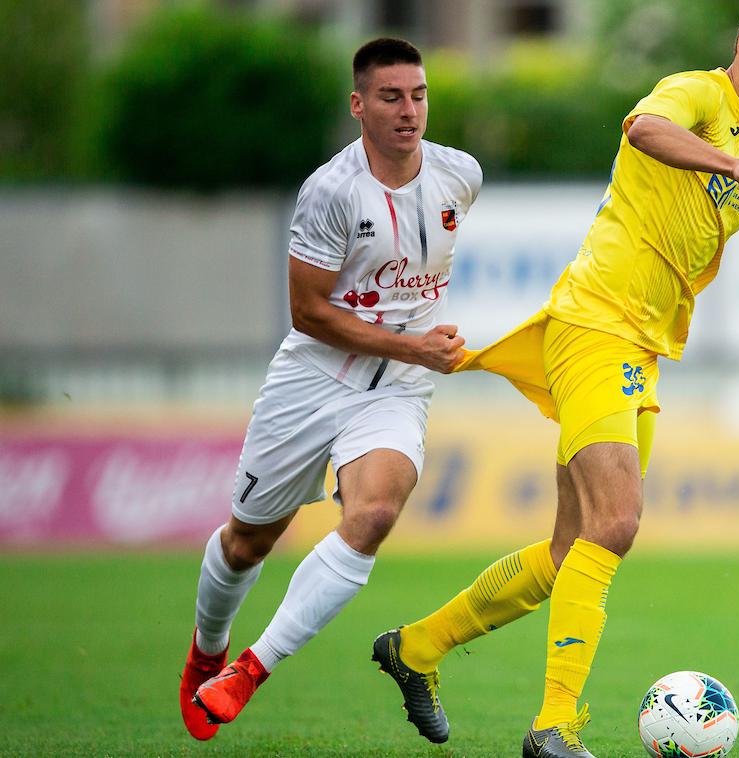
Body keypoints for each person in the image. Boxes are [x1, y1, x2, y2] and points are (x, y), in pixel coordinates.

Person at [368, 2, 739, 756]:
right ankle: (554, 726)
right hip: (597, 328)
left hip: (636, 349)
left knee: (568, 549)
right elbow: (642, 127)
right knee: (616, 524)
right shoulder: (699, 94)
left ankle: (415, 648)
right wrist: (731, 167)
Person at [178, 37, 481, 741]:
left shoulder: (460, 175)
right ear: (358, 106)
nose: (409, 111)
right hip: (311, 381)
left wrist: (414, 351)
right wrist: (414, 343)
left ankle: (249, 671)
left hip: (397, 389)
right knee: (248, 542)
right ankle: (208, 648)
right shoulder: (331, 191)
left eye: (419, 94)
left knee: (374, 512)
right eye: (391, 97)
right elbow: (309, 312)